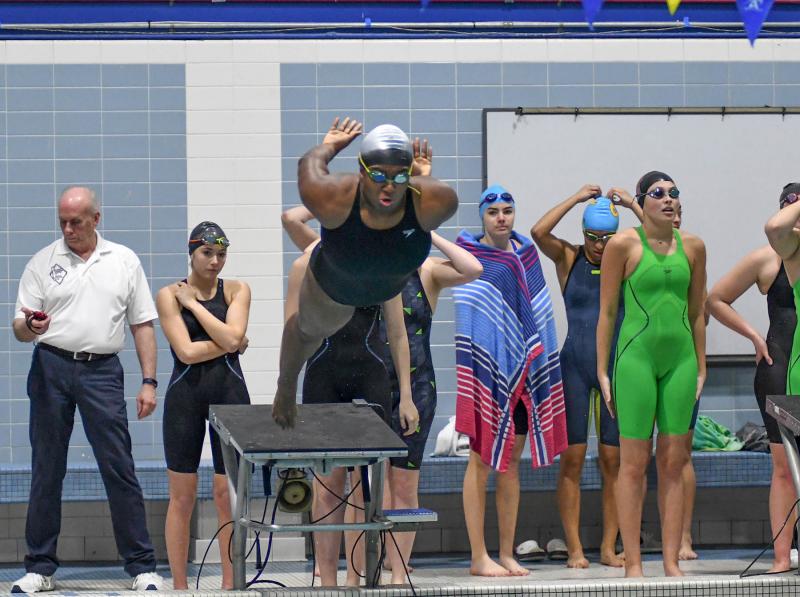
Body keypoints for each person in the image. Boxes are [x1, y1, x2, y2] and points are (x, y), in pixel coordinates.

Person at [282, 139, 483, 586]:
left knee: (392, 486)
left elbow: (469, 272)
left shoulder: (420, 269)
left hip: (400, 381)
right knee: (337, 485)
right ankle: (333, 576)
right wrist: (346, 208)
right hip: (345, 375)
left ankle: (391, 574)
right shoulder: (342, 257)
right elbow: (292, 219)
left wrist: (420, 220)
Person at [11, 186, 163, 593]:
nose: (68, 229)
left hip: (102, 371)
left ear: (96, 219)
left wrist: (149, 381)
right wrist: (31, 326)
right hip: (51, 366)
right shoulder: (43, 262)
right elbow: (20, 328)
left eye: (76, 221)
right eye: (62, 221)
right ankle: (40, 568)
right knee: (47, 468)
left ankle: (142, 567)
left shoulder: (124, 261)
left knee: (119, 466)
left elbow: (142, 324)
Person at [271, 117, 458, 435]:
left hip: (386, 286)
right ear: (361, 171)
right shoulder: (333, 195)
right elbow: (308, 166)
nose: (389, 186)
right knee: (308, 332)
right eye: (378, 175)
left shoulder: (435, 200)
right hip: (335, 289)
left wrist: (420, 179)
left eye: (400, 176)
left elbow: (470, 268)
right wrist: (329, 147)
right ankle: (285, 385)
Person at [597, 171, 706, 578]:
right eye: (658, 193)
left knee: (674, 461)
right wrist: (602, 370)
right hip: (635, 360)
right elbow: (608, 312)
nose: (668, 199)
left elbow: (697, 312)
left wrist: (702, 365)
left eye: (674, 193)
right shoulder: (623, 245)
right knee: (633, 463)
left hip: (681, 361)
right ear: (642, 201)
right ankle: (634, 564)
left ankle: (671, 561)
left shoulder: (694, 247)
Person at [455, 184, 567, 577]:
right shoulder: (470, 256)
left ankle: (505, 553)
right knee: (480, 462)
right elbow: (470, 313)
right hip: (488, 374)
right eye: (493, 212)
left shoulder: (527, 254)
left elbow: (539, 312)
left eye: (507, 210)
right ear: (482, 217)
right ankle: (478, 556)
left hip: (523, 374)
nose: (501, 218)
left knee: (510, 465)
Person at [531, 186, 642, 569]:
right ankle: (576, 549)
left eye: (607, 238)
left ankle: (609, 548)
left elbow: (663, 238)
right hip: (574, 369)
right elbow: (538, 232)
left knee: (614, 461)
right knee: (572, 461)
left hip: (615, 369)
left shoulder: (628, 261)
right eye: (593, 237)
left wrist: (633, 205)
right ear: (583, 234)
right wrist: (576, 198)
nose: (599, 246)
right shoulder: (569, 258)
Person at [156, 222, 251, 590]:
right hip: (185, 399)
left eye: (221, 254)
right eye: (207, 253)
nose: (215, 261)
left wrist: (194, 305)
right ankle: (180, 586)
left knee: (227, 496)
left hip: (230, 396)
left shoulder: (237, 290)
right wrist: (230, 342)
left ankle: (230, 584)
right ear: (191, 253)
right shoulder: (168, 295)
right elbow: (186, 352)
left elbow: (233, 337)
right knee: (182, 497)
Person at [728, 182, 800, 572]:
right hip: (780, 369)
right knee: (784, 467)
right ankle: (781, 556)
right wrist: (755, 337)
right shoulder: (771, 257)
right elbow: (716, 299)